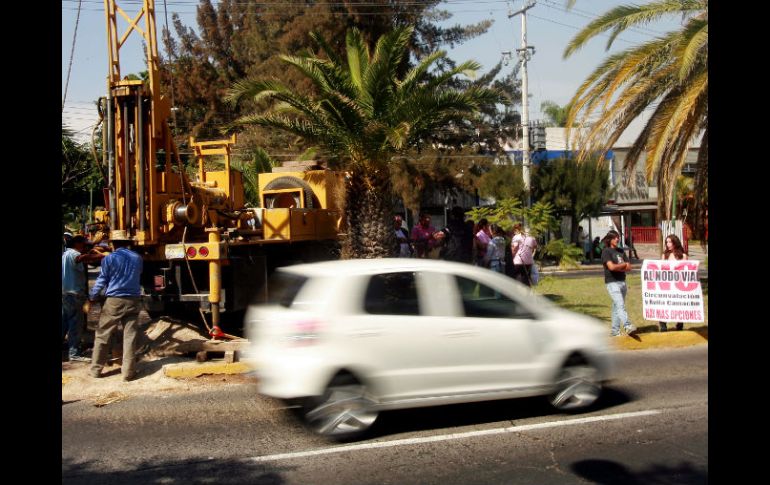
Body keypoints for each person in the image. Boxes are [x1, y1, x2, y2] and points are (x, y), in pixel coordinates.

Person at [88, 230, 144, 381]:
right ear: (127, 243)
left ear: (113, 244)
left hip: (114, 300)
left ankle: (96, 370)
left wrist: (93, 296)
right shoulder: (137, 258)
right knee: (130, 336)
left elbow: (102, 279)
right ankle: (128, 373)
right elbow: (138, 274)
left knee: (103, 334)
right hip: (133, 299)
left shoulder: (109, 258)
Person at [62, 235, 102, 362]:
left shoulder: (65, 254)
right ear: (77, 244)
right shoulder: (74, 254)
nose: (85, 247)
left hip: (66, 293)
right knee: (75, 324)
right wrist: (102, 256)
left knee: (64, 322)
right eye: (83, 244)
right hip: (74, 294)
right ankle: (74, 353)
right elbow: (82, 258)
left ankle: (69, 349)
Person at [601, 230, 637, 337]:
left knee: (616, 307)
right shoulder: (606, 252)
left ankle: (615, 331)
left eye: (618, 237)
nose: (617, 239)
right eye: (615, 237)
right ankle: (627, 325)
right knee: (620, 305)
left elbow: (629, 267)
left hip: (622, 282)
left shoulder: (621, 251)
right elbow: (611, 267)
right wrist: (623, 265)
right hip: (612, 283)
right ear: (610, 239)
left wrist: (621, 266)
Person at [659, 234, 688, 332]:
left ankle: (680, 324)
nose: (668, 244)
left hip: (679, 285)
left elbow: (687, 271)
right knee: (664, 304)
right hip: (667, 285)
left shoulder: (683, 256)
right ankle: (663, 325)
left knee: (679, 304)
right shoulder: (665, 255)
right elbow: (661, 269)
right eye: (666, 242)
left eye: (670, 242)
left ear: (675, 243)